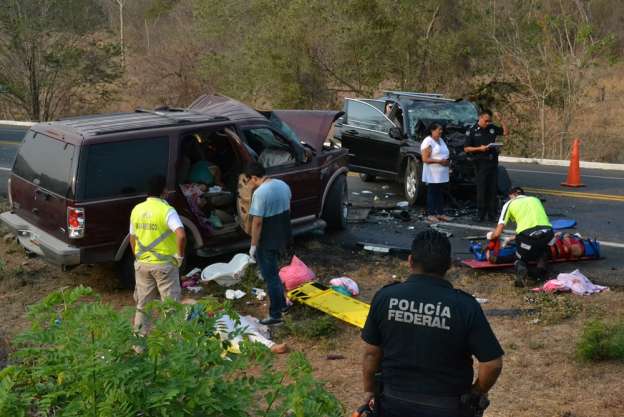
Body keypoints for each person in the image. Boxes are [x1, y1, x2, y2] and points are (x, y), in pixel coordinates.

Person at [361, 230, 504, 417]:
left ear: (410, 261)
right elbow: (492, 364)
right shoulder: (465, 306)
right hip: (448, 408)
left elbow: (371, 353)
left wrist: (369, 390)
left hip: (393, 404)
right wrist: (476, 392)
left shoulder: (385, 297)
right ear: (449, 265)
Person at [130, 175, 186, 335]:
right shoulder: (167, 210)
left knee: (142, 306)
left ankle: (139, 346)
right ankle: (173, 346)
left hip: (142, 265)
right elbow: (181, 235)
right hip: (164, 267)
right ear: (165, 191)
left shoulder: (137, 209)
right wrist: (179, 256)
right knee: (171, 308)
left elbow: (132, 237)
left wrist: (138, 257)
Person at [245, 162, 292, 325]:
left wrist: (253, 245)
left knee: (270, 276)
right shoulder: (282, 184)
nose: (249, 184)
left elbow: (257, 222)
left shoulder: (260, 193)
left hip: (267, 240)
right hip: (283, 235)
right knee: (275, 273)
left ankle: (275, 315)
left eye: (249, 181)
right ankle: (283, 305)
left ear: (253, 177)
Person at [489, 186, 554, 287]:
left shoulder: (509, 203)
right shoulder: (535, 200)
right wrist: (511, 238)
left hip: (528, 238)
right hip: (548, 234)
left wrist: (490, 237)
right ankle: (539, 271)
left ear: (513, 195)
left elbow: (497, 233)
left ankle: (521, 269)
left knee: (520, 256)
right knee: (543, 250)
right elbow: (536, 226)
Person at [464, 109, 510, 223]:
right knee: (482, 190)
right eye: (486, 121)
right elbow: (466, 148)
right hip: (480, 163)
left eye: (489, 121)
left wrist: (501, 120)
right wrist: (479, 148)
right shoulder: (472, 130)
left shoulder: (492, 127)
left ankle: (492, 214)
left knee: (492, 189)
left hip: (492, 163)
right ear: (480, 118)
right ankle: (481, 214)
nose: (487, 123)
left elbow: (505, 132)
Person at [421, 123, 450, 223]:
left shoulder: (441, 140)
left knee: (440, 193)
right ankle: (431, 214)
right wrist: (439, 161)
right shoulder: (428, 141)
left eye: (441, 129)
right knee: (432, 193)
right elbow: (425, 159)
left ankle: (440, 213)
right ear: (432, 131)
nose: (441, 131)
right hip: (432, 173)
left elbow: (444, 153)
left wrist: (447, 162)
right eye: (439, 130)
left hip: (441, 173)